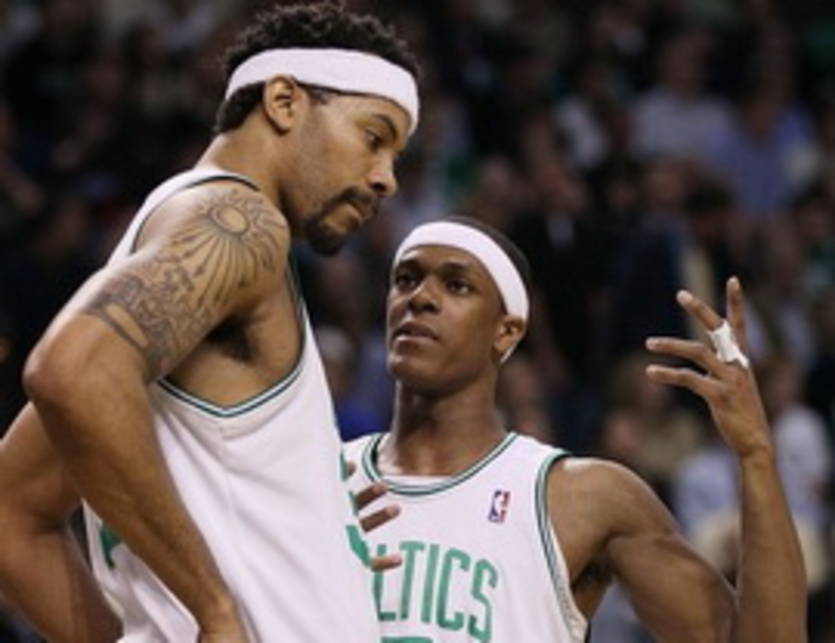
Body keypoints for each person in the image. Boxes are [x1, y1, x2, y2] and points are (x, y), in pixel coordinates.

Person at [0, 2, 419, 641]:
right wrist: (214, 610)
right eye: (373, 137)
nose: (386, 178)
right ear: (283, 102)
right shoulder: (240, 224)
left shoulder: (183, 236)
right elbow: (72, 372)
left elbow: (12, 513)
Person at [346, 217, 806, 642]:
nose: (420, 297)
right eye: (405, 279)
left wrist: (756, 453)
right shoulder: (324, 479)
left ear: (507, 331)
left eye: (456, 285)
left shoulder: (579, 497)